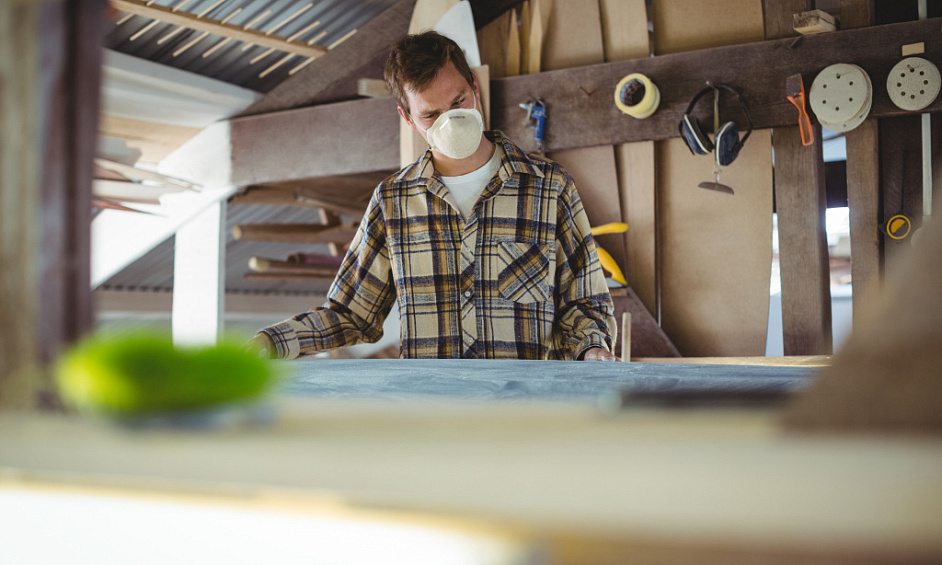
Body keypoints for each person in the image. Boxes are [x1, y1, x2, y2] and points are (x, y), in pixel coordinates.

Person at [247, 31, 617, 361]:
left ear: (474, 87)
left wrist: (592, 347)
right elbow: (351, 314)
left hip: (527, 406)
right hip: (432, 408)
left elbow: (585, 301)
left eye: (458, 102)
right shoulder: (392, 202)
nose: (451, 122)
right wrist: (271, 342)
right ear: (407, 118)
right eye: (431, 115)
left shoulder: (549, 187)